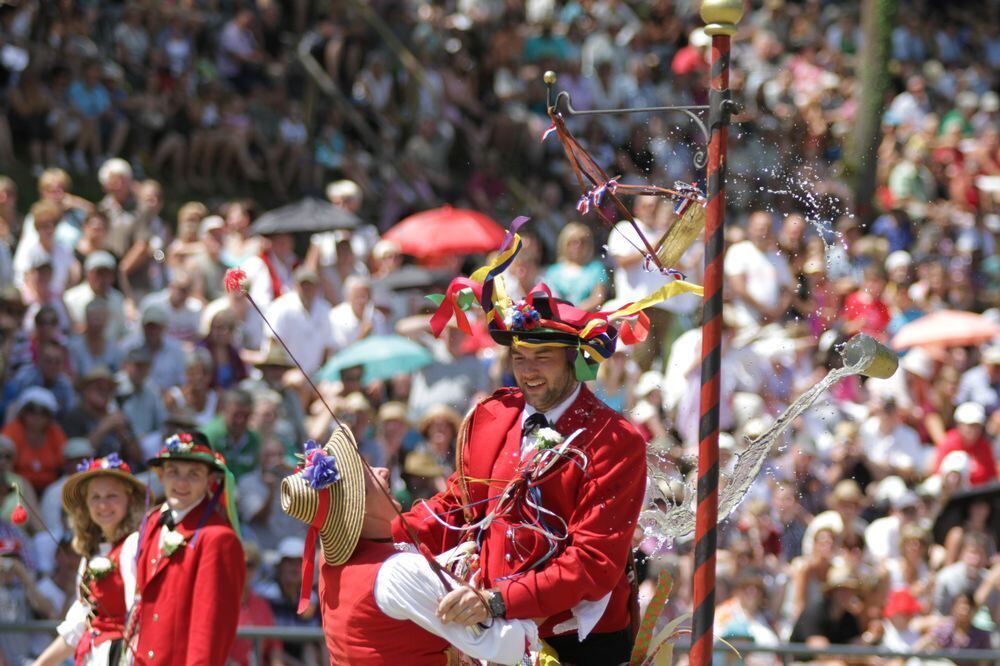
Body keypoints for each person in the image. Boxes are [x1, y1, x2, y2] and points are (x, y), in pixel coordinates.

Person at [397, 283, 647, 664]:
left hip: (578, 645)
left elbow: (592, 561)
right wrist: (379, 529)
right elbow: (455, 511)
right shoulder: (491, 416)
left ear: (573, 358)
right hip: (492, 633)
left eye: (542, 357)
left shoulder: (614, 440)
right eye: (519, 357)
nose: (527, 372)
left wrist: (498, 602)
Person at [280, 426, 538, 664]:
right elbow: (505, 646)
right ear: (358, 507)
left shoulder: (332, 562)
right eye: (369, 475)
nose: (383, 471)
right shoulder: (398, 571)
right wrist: (541, 599)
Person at [125, 431, 245, 664]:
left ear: (210, 479)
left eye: (194, 474)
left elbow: (210, 629)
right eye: (173, 472)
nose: (181, 482)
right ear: (160, 476)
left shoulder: (219, 539)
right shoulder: (151, 523)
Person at [33, 454, 145, 665]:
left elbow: (139, 617)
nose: (103, 505)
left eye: (112, 495)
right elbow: (77, 625)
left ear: (129, 499)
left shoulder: (133, 545)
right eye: (96, 497)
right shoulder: (91, 555)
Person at [931, 402, 998, 486]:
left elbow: (992, 476)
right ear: (959, 425)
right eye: (969, 426)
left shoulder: (984, 446)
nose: (973, 430)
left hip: (981, 495)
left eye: (976, 425)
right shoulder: (948, 443)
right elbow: (938, 474)